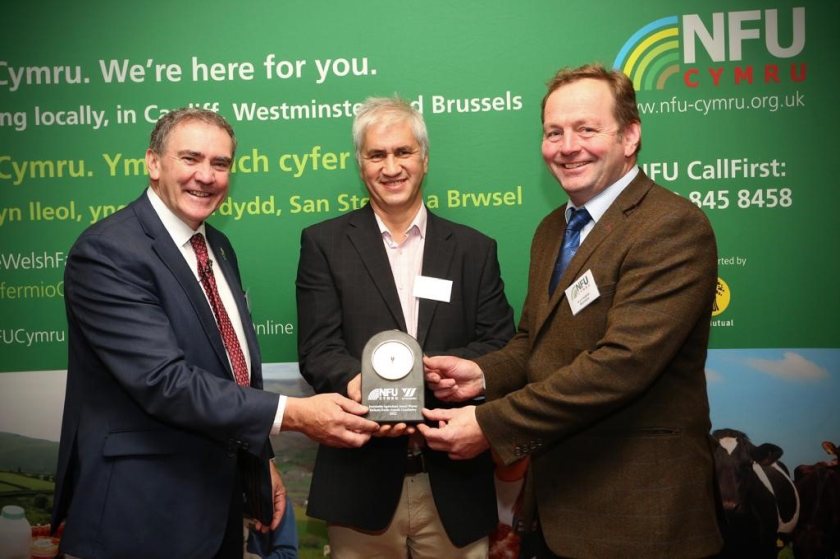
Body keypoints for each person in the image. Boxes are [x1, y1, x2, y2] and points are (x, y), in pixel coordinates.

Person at [419, 64, 724, 558]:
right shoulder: (551, 230)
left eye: (586, 129)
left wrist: (490, 423)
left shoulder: (670, 226)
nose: (567, 146)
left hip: (641, 517)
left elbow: (622, 365)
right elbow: (533, 343)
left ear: (630, 136)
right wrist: (481, 374)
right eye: (553, 132)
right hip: (558, 507)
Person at [51, 107, 378, 559]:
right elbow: (164, 382)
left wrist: (259, 465)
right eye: (190, 158)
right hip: (140, 517)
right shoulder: (108, 251)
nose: (205, 176)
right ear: (153, 163)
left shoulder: (217, 246)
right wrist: (296, 414)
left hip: (217, 511)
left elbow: (230, 372)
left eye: (220, 164)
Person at [296, 96, 515, 558]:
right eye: (377, 155)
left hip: (454, 481)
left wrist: (459, 373)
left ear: (424, 158)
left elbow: (499, 343)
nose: (391, 167)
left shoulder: (474, 250)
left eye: (403, 152)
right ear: (360, 164)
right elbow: (318, 349)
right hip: (361, 481)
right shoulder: (324, 244)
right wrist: (362, 385)